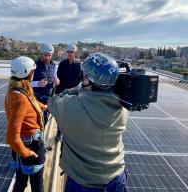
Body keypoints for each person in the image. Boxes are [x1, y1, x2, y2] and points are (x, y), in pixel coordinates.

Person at [48, 52, 129, 192]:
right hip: (116, 180)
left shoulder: (69, 106)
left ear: (86, 79)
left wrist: (78, 88)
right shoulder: (124, 107)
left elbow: (53, 101)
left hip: (83, 183)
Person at [5, 56, 46, 192]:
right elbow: (11, 137)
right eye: (32, 72)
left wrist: (45, 107)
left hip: (21, 148)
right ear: (27, 73)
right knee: (37, 187)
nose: (33, 74)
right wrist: (27, 153)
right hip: (30, 146)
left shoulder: (14, 90)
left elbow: (32, 102)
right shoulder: (21, 98)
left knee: (20, 183)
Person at [55, 42, 82, 141]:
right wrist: (58, 92)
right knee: (61, 114)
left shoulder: (79, 65)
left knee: (71, 114)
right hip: (62, 92)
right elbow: (59, 77)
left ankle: (69, 133)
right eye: (69, 52)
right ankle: (59, 132)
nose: (70, 54)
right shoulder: (62, 64)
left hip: (73, 94)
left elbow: (80, 80)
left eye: (72, 52)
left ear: (75, 53)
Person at [32, 43, 60, 124]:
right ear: (42, 54)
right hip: (37, 99)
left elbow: (56, 78)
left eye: (49, 55)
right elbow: (27, 83)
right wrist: (38, 83)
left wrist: (57, 81)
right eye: (45, 55)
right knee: (37, 121)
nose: (47, 57)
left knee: (45, 120)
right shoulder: (34, 65)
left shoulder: (53, 65)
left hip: (49, 98)